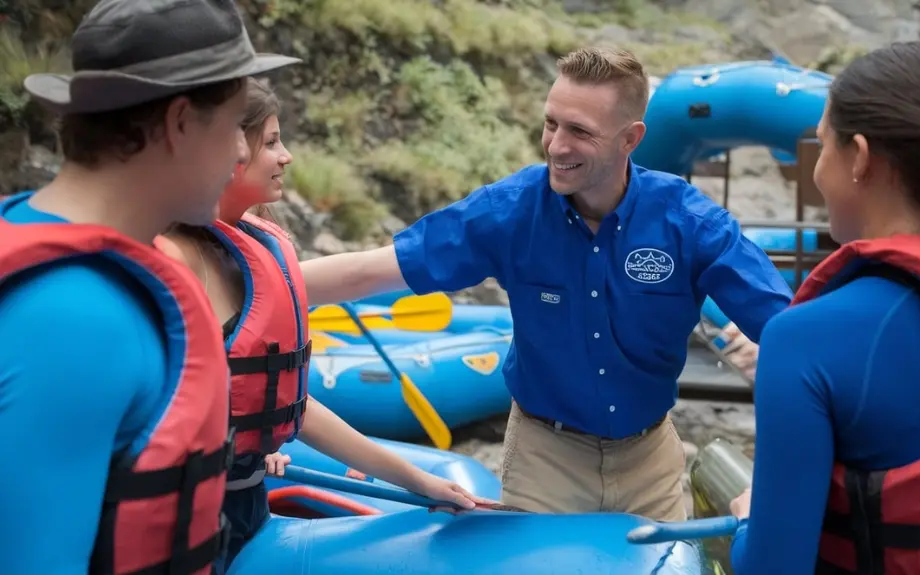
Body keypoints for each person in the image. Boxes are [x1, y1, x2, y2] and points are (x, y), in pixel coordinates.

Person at [296, 46, 794, 521]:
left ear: (630, 139)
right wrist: (247, 286)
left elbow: (794, 331)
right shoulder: (508, 212)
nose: (556, 145)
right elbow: (372, 269)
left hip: (650, 461)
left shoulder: (690, 222)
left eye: (579, 130)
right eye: (551, 123)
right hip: (543, 458)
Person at [0, 1, 301, 574]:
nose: (242, 152)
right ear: (180, 121)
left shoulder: (83, 271)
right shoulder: (75, 320)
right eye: (236, 125)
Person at [156, 77, 494, 573]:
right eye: (271, 142)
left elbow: (288, 406)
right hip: (186, 521)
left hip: (246, 508)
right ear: (227, 150)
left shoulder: (253, 251)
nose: (286, 156)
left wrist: (416, 479)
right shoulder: (175, 260)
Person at [727, 41, 920, 574]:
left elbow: (773, 569)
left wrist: (752, 520)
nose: (817, 169)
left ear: (859, 157)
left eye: (821, 146)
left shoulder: (802, 339)